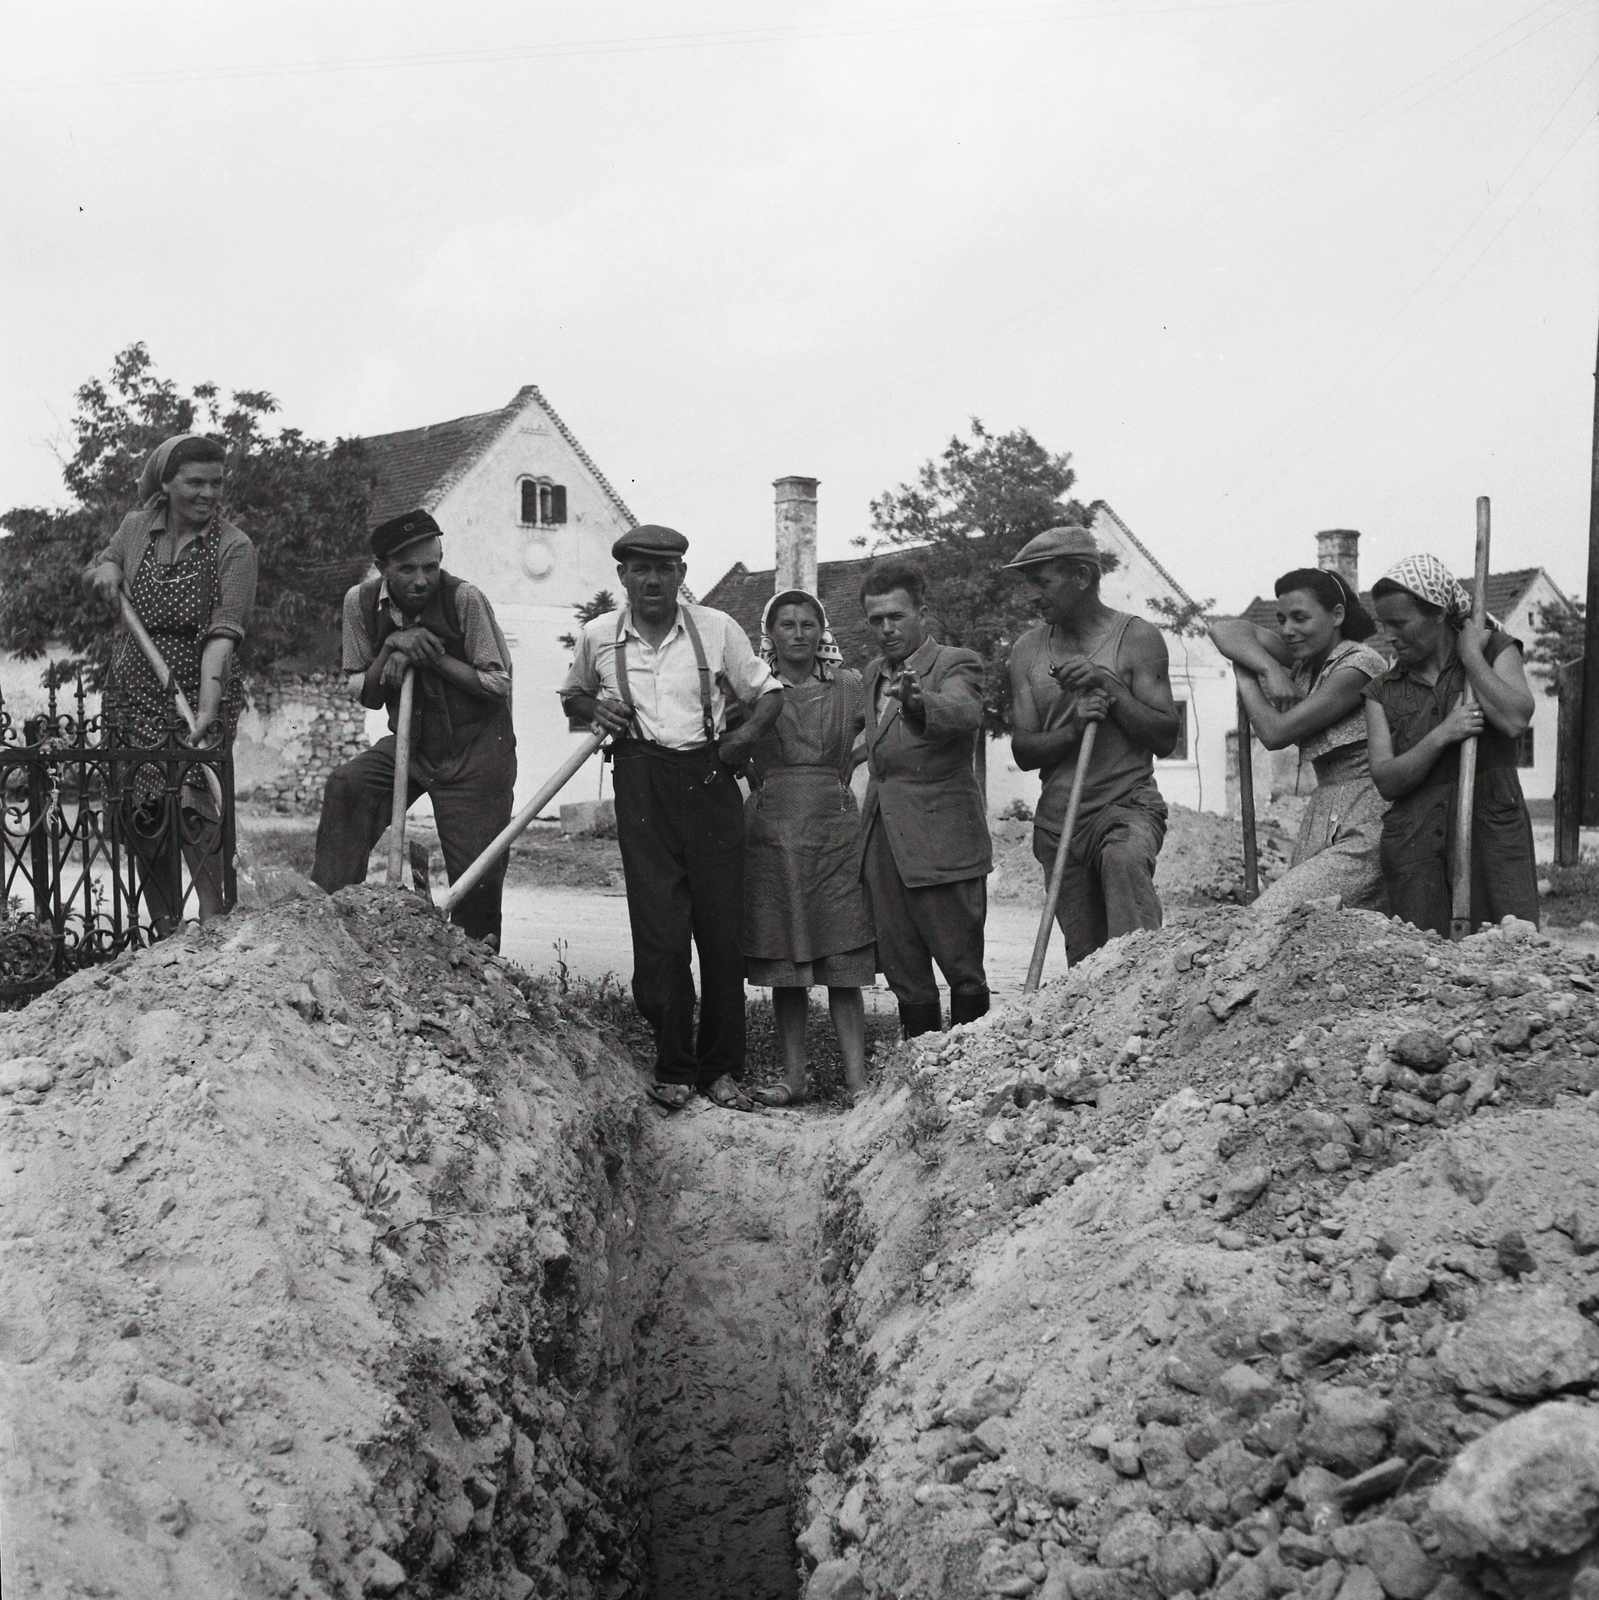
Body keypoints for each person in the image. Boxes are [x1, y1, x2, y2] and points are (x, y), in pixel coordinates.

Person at [560, 526, 784, 1111]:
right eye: (640, 569)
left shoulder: (716, 629)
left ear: (682, 574)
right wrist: (594, 707)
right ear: (622, 577)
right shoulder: (598, 637)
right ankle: (674, 1065)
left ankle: (722, 1070)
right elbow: (574, 696)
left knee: (720, 934)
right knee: (658, 936)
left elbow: (771, 693)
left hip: (709, 781)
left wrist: (745, 738)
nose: (653, 579)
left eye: (665, 568)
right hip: (641, 783)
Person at [311, 509, 517, 947]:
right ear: (383, 569)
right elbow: (362, 689)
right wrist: (391, 645)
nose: (422, 580)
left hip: (476, 753)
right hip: (411, 745)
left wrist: (433, 657)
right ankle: (329, 923)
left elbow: (497, 684)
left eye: (431, 566)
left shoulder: (466, 600)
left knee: (476, 880)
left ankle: (475, 966)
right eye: (407, 569)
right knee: (349, 786)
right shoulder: (359, 603)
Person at [84, 433, 257, 933]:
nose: (208, 494)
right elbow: (97, 567)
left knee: (197, 802)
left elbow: (223, 636)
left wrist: (206, 709)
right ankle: (164, 929)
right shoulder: (137, 528)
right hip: (134, 686)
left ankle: (211, 921)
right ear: (166, 482)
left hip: (203, 679)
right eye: (195, 482)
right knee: (145, 809)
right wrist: (107, 569)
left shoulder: (235, 547)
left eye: (217, 483)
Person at [1005, 526, 1179, 965]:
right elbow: (1023, 751)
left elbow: (1164, 736)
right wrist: (1072, 729)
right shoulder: (1027, 652)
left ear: (1082, 576)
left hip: (1126, 807)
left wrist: (1110, 686)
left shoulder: (1138, 639)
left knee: (1125, 876)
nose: (1031, 595)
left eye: (1041, 582)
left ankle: (1146, 1016)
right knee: (1086, 967)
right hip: (1059, 823)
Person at [742, 591, 875, 1106]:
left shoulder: (848, 685)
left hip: (836, 832)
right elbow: (728, 737)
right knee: (788, 964)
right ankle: (794, 1078)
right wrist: (757, 780)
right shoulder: (752, 689)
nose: (798, 633)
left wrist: (856, 757)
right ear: (769, 633)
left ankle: (858, 1081)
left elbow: (888, 727)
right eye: (787, 624)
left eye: (808, 624)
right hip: (774, 835)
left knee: (842, 958)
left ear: (823, 631)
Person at [1363, 553, 1538, 936]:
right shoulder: (1381, 691)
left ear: (1439, 613)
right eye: (1382, 624)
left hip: (1492, 832)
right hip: (1415, 846)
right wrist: (1443, 733)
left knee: (1508, 952)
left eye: (1399, 623)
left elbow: (1514, 719)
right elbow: (1387, 780)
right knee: (1423, 967)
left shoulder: (1495, 649)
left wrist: (1471, 655)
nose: (1388, 635)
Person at [859, 560, 991, 1036]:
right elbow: (876, 742)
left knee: (962, 969)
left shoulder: (956, 662)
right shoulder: (873, 673)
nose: (887, 628)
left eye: (896, 616)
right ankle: (918, 1079)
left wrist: (918, 704)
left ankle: (971, 1071)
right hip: (884, 843)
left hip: (943, 842)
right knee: (905, 973)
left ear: (923, 612)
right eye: (876, 619)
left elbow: (962, 711)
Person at [1208, 568, 1391, 912]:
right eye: (1281, 619)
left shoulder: (1360, 666)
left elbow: (1275, 733)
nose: (1287, 630)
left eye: (1300, 618)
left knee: (1273, 914)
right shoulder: (1307, 661)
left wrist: (1245, 676)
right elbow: (1224, 629)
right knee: (1305, 935)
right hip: (1324, 815)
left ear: (1337, 615)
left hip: (1368, 820)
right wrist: (1269, 668)